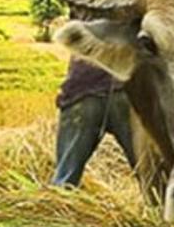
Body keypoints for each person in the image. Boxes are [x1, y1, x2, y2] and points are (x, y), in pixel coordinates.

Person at [50, 56, 138, 188]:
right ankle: (160, 204)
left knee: (65, 175)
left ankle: (59, 200)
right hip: (125, 91)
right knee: (150, 172)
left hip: (81, 92)